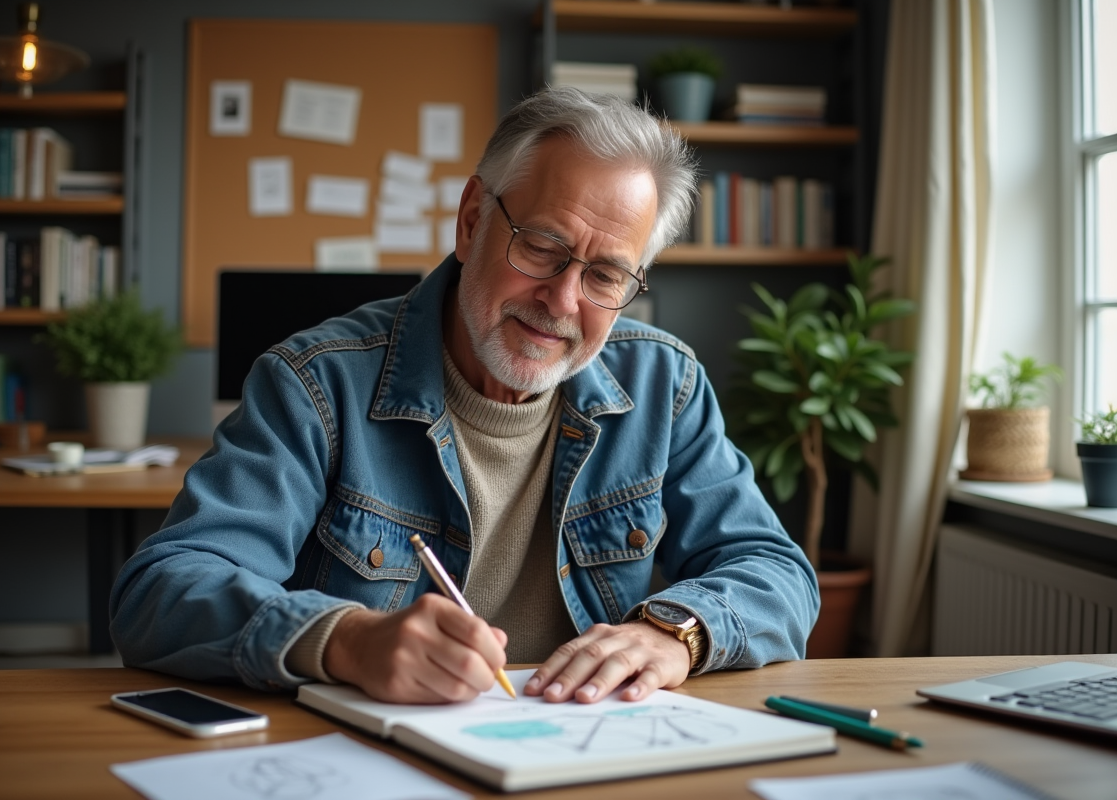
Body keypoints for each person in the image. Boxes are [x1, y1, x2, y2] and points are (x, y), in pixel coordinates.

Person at [111, 87, 818, 705]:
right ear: (473, 218)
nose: (562, 302)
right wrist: (345, 640)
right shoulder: (315, 383)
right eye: (541, 247)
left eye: (605, 276)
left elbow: (777, 573)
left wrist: (678, 634)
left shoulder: (666, 388)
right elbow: (161, 592)